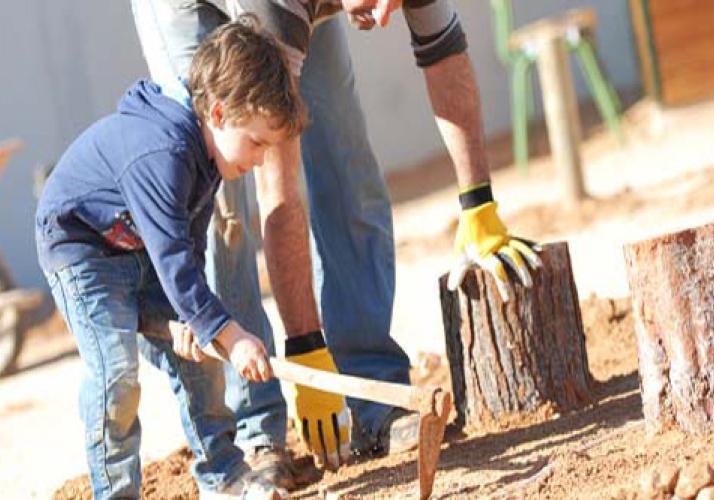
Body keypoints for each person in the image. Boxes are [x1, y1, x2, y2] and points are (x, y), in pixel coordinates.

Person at [129, 0, 541, 487]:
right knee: (221, 204)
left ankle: (371, 391)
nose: (382, 17)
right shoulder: (278, 13)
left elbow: (445, 53)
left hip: (300, 14)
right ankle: (253, 431)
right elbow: (279, 192)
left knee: (348, 162)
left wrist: (478, 206)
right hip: (188, 9)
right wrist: (306, 349)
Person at [35, 19, 306, 499]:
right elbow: (172, 256)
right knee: (117, 375)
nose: (261, 159)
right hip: (83, 252)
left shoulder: (209, 155)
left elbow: (188, 245)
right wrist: (230, 334)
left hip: (141, 250)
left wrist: (193, 321)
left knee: (199, 358)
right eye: (258, 142)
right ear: (218, 112)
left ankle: (223, 475)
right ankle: (116, 492)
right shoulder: (162, 151)